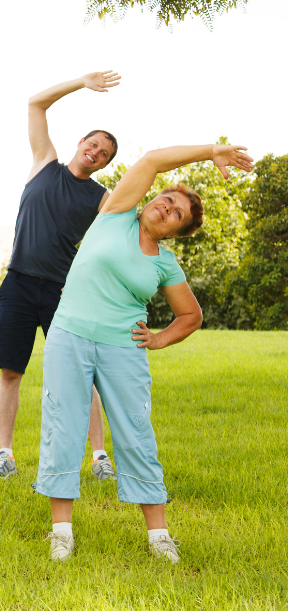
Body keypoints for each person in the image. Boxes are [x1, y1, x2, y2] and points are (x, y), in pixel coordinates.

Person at [37, 142, 252, 563]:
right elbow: (152, 161)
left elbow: (190, 316)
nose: (167, 209)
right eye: (166, 200)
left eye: (177, 214)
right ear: (151, 199)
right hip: (69, 335)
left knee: (136, 433)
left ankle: (159, 537)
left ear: (177, 232)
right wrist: (211, 152)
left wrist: (158, 338)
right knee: (63, 425)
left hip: (123, 348)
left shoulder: (165, 264)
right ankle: (61, 532)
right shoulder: (114, 215)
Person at [0, 71, 122, 481]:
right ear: (80, 143)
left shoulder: (102, 198)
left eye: (104, 153)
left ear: (105, 164)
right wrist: (82, 82)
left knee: (83, 373)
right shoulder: (45, 162)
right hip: (18, 284)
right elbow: (35, 103)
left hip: (65, 291)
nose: (95, 153)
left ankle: (100, 458)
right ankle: (5, 455)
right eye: (93, 144)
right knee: (11, 372)